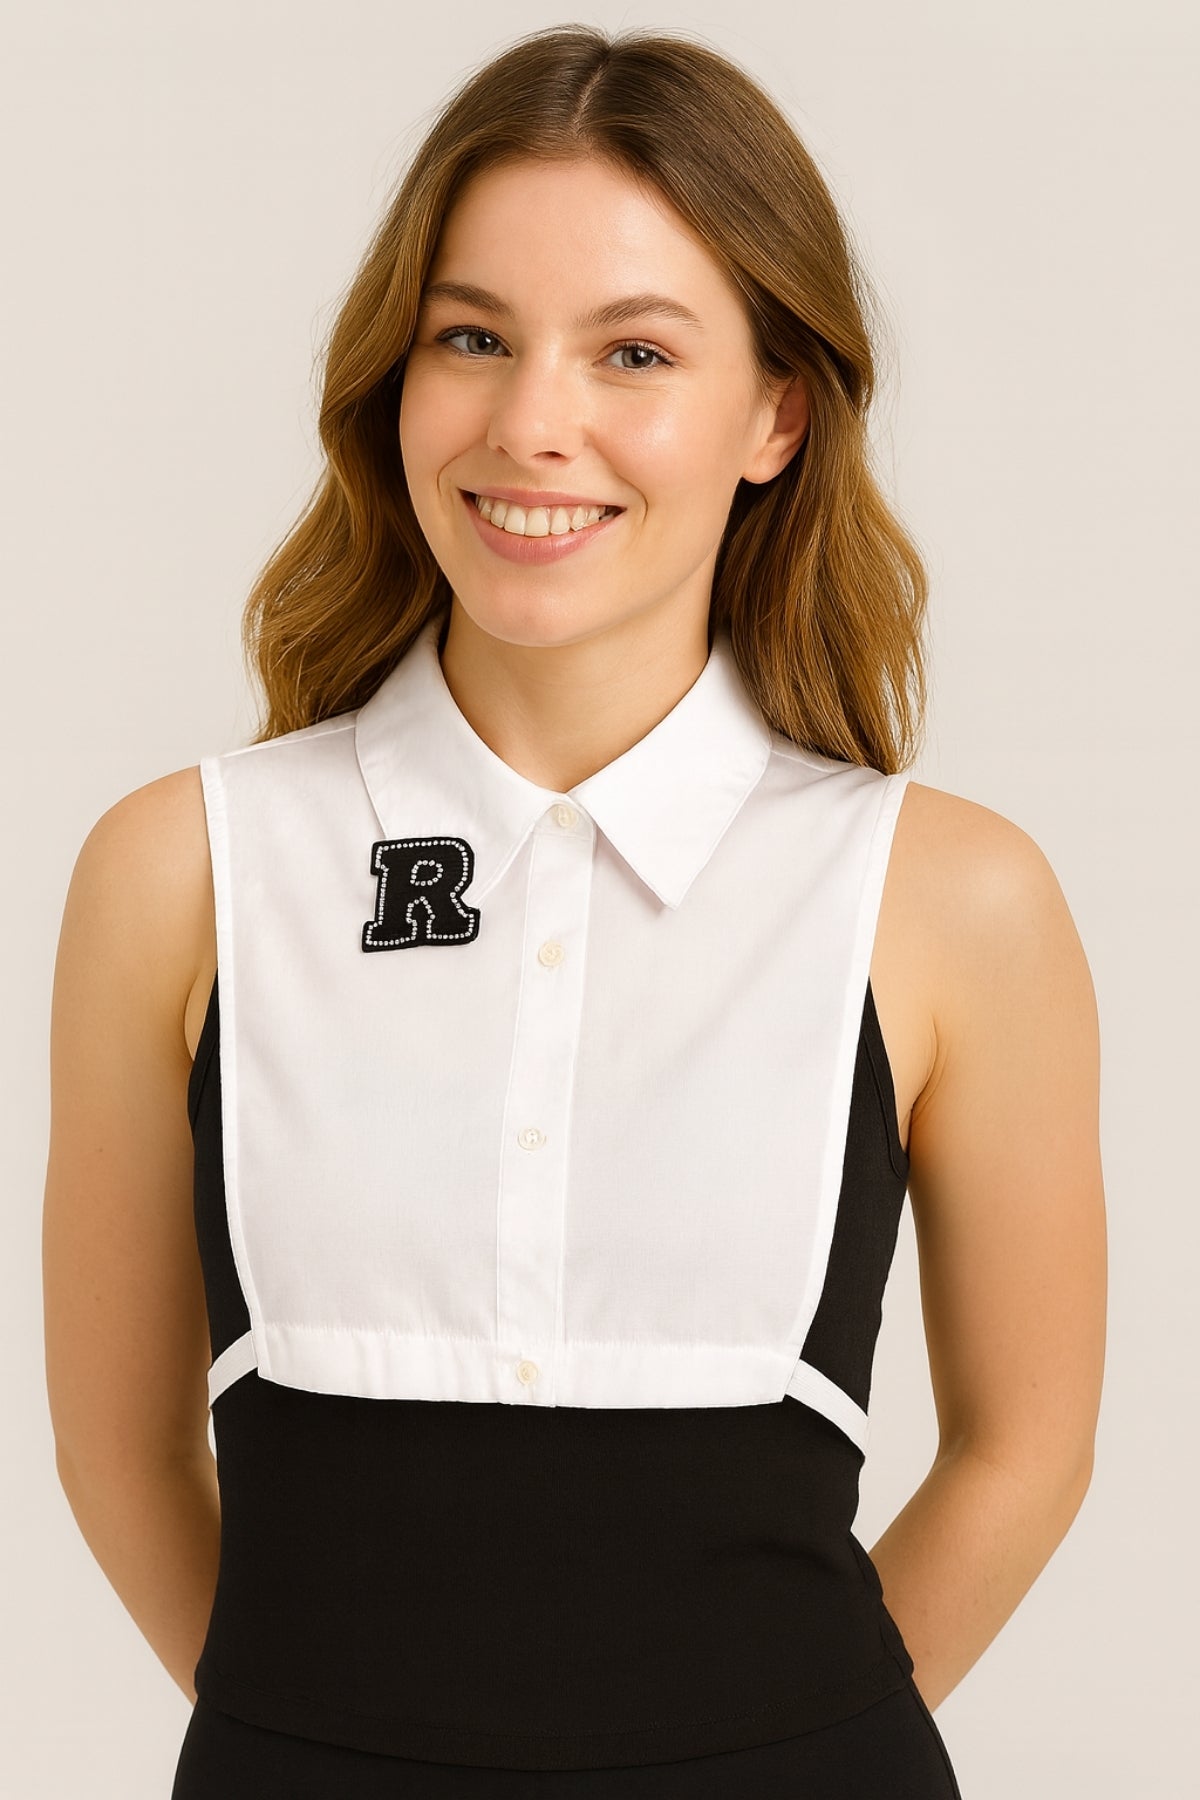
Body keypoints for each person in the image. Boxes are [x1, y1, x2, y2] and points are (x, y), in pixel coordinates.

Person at [42, 23, 1107, 1798]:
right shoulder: (180, 870)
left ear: (776, 415)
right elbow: (119, 1455)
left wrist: (775, 1738)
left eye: (636, 352)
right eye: (471, 336)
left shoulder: (950, 900)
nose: (534, 423)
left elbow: (1027, 1451)